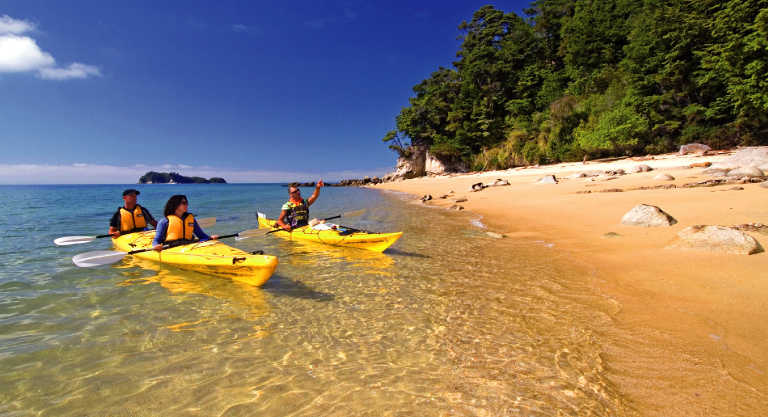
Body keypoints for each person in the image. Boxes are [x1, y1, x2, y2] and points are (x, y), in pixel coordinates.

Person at [152, 195, 218, 251]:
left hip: (189, 246)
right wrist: (156, 246)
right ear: (175, 205)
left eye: (186, 203)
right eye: (183, 203)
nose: (186, 205)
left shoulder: (191, 219)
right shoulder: (164, 221)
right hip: (172, 247)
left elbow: (201, 236)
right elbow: (157, 240)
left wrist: (210, 238)